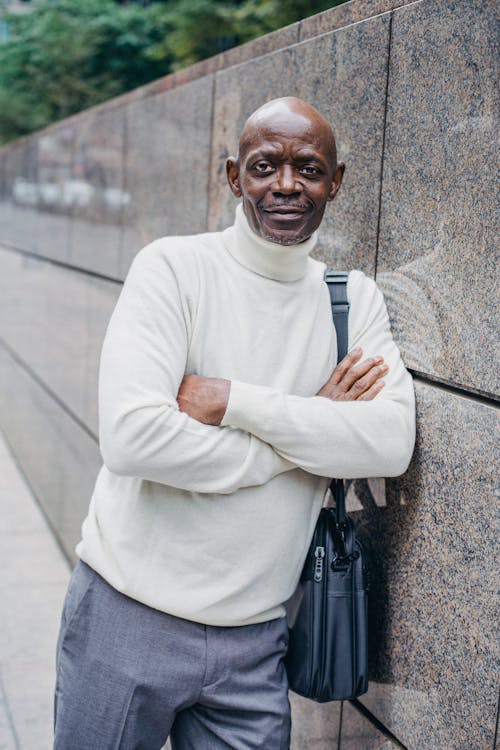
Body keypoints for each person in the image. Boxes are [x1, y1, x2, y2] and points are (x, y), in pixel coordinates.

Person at [53, 96, 415, 749]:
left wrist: (235, 403)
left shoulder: (351, 301)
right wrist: (310, 433)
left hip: (256, 647)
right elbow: (135, 438)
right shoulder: (174, 269)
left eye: (307, 169)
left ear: (336, 181)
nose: (285, 184)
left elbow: (389, 443)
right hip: (125, 619)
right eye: (264, 165)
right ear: (232, 176)